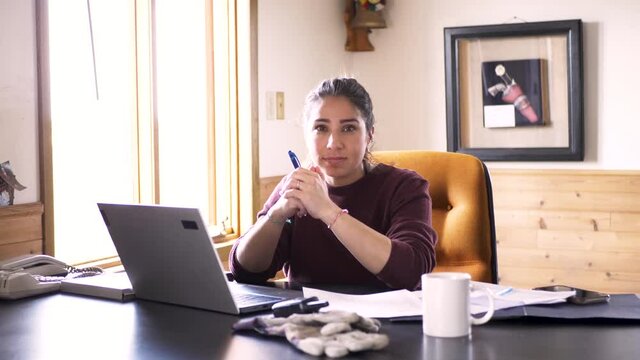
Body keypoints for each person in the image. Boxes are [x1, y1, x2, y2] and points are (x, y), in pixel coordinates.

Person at [229, 77, 437, 290]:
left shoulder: (404, 186)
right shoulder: (296, 186)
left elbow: (412, 272)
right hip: (309, 319)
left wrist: (327, 211)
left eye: (348, 129)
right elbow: (246, 272)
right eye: (321, 128)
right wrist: (277, 214)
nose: (333, 143)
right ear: (307, 134)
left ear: (369, 134)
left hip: (383, 321)